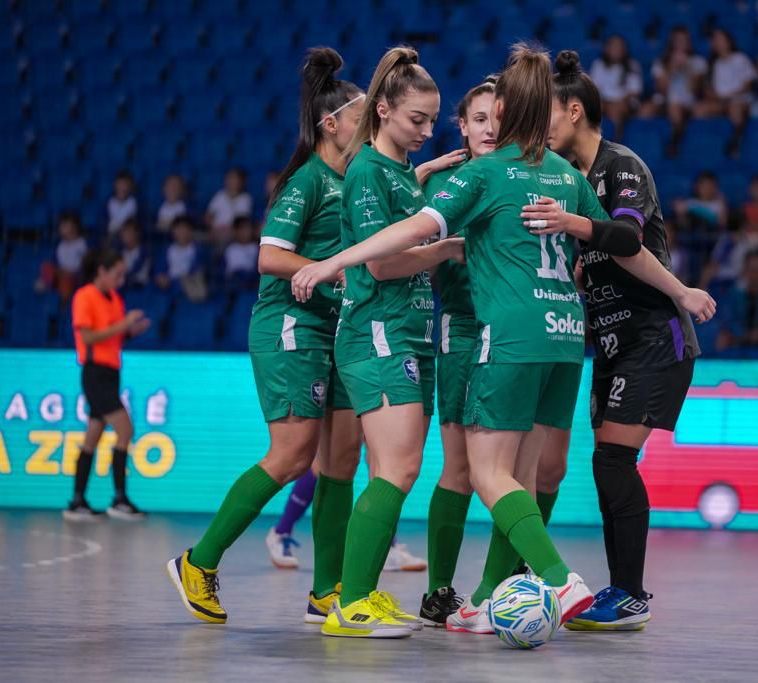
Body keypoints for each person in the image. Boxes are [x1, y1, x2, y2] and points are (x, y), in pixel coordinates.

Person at [291, 43, 716, 638]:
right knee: (525, 472)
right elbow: (627, 245)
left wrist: (334, 261)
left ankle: (557, 579)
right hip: (567, 340)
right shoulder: (567, 175)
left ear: (509, 110)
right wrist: (683, 291)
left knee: (488, 475)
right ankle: (488, 600)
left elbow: (412, 230)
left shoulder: (486, 174)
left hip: (509, 339)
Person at [166, 47, 366, 626]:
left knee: (342, 460)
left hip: (338, 329)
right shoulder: (305, 181)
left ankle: (326, 590)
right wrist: (330, 271)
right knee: (291, 455)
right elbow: (268, 257)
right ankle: (198, 562)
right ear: (333, 123)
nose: (371, 122)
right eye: (362, 115)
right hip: (292, 327)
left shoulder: (352, 181)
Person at [529, 49, 713, 631]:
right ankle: (621, 592)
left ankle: (629, 595)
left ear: (575, 110)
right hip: (610, 343)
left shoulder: (621, 165)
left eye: (548, 116)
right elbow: (607, 255)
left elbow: (629, 240)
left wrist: (681, 292)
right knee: (609, 462)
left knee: (613, 462)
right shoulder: (572, 177)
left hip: (653, 339)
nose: (542, 128)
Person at [285, 46, 461, 639]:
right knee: (398, 468)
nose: (427, 130)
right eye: (417, 119)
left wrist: (426, 175)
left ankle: (359, 595)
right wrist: (446, 248)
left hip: (409, 336)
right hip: (377, 334)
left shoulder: (395, 173)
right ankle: (350, 602)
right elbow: (383, 265)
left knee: (392, 468)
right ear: (382, 110)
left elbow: (399, 205)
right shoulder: (364, 170)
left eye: (433, 120)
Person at [417, 76, 498, 627]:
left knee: (524, 466)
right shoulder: (443, 185)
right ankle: (438, 591)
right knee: (463, 468)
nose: (491, 128)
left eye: (500, 118)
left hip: (524, 331)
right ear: (462, 128)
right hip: (464, 329)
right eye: (480, 119)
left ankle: (509, 585)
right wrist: (420, 174)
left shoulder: (525, 174)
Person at [65, 248, 150, 521]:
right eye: (118, 274)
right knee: (125, 428)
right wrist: (123, 325)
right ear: (101, 270)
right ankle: (119, 499)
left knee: (93, 436)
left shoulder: (115, 299)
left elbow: (113, 337)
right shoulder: (84, 296)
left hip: (111, 372)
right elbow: (88, 338)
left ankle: (77, 501)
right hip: (95, 373)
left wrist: (130, 331)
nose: (121, 280)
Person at [649, 26, 707, 142]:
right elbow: (661, 89)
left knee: (693, 109)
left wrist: (687, 69)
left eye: (684, 40)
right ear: (672, 43)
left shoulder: (698, 61)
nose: (681, 44)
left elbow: (695, 90)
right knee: (649, 110)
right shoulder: (660, 63)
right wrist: (672, 69)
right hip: (666, 101)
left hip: (690, 101)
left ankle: (677, 139)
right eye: (678, 40)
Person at [694, 28, 756, 129]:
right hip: (721, 101)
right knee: (699, 109)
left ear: (729, 42)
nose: (718, 43)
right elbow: (709, 89)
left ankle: (737, 139)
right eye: (715, 40)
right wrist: (715, 97)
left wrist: (731, 96)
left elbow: (748, 84)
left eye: (720, 39)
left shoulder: (740, 58)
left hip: (740, 99)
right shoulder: (713, 64)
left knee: (735, 108)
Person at [588, 35, 643, 139]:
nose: (616, 50)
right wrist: (607, 102)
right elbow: (594, 88)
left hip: (625, 102)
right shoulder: (598, 65)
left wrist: (618, 102)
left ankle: (616, 141)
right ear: (607, 49)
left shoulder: (632, 65)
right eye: (613, 46)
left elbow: (634, 91)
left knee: (617, 109)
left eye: (619, 47)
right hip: (604, 101)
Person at [38, 211, 88, 303]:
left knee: (65, 282)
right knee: (47, 266)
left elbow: (83, 267)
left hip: (74, 277)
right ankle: (46, 289)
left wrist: (69, 272)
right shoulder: (61, 245)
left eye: (65, 225)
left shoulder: (82, 244)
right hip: (60, 274)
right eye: (61, 226)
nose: (61, 228)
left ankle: (63, 306)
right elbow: (57, 264)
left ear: (75, 227)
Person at [154, 215, 208, 301]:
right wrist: (161, 278)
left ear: (191, 231)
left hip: (186, 284)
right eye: (178, 229)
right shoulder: (167, 249)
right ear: (173, 231)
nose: (181, 232)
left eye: (184, 229)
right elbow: (159, 269)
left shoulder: (198, 250)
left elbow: (196, 272)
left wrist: (175, 281)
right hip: (167, 284)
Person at [205, 167, 253, 247]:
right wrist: (212, 228)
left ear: (241, 181)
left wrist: (229, 231)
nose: (232, 181)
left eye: (235, 178)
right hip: (216, 231)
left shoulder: (246, 198)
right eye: (230, 178)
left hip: (233, 233)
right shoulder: (219, 195)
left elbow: (242, 222)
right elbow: (208, 216)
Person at [222, 216, 260, 289]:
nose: (245, 232)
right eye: (241, 229)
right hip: (235, 285)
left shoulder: (257, 248)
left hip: (254, 284)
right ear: (235, 231)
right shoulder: (230, 249)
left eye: (247, 228)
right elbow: (227, 272)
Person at [118, 219, 150, 290]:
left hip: (139, 288)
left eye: (128, 232)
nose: (125, 235)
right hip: (124, 286)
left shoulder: (144, 252)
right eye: (124, 232)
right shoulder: (120, 251)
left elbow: (135, 270)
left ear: (137, 234)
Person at [106, 171, 138, 238]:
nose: (122, 188)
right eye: (120, 184)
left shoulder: (135, 204)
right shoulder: (108, 203)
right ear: (115, 185)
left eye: (125, 185)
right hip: (111, 237)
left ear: (130, 186)